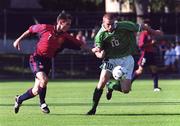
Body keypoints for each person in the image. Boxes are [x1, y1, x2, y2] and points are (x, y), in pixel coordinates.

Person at [13, 11, 90, 114]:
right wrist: (18, 40)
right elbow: (30, 30)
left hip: (47, 62)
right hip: (36, 58)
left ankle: (20, 99)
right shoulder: (45, 28)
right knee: (44, 80)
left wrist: (94, 50)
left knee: (36, 90)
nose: (69, 26)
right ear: (60, 22)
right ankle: (42, 103)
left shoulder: (65, 36)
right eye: (67, 24)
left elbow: (81, 44)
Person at [87, 13, 163, 115]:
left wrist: (154, 32)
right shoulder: (100, 35)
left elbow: (142, 26)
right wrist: (99, 54)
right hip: (111, 59)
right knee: (101, 82)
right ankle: (93, 109)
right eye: (108, 24)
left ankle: (111, 86)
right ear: (103, 23)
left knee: (126, 90)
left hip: (126, 58)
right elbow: (98, 51)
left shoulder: (124, 25)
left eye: (113, 24)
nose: (111, 26)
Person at [131, 20, 163, 92]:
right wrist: (151, 43)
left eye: (147, 26)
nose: (146, 27)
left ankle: (156, 87)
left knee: (154, 69)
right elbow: (140, 45)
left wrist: (154, 43)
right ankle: (129, 83)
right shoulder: (143, 34)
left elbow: (159, 34)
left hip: (151, 54)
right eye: (145, 26)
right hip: (145, 54)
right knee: (140, 71)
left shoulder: (151, 34)